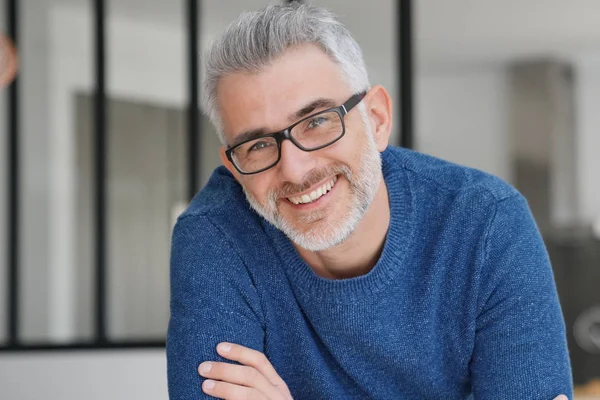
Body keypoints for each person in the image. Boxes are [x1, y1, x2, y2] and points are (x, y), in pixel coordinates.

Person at [166, 4, 572, 399]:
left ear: (376, 119)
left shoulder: (487, 222)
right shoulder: (216, 234)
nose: (293, 169)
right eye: (257, 145)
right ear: (235, 168)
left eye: (317, 121)